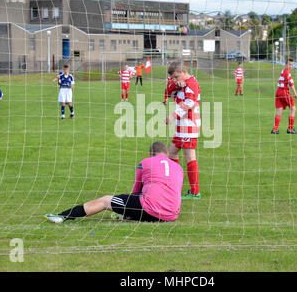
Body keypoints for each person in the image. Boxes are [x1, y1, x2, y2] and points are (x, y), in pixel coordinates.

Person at [45, 142, 184, 223]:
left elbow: (136, 192)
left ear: (150, 154)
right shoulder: (179, 168)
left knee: (105, 201)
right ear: (166, 154)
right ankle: (125, 215)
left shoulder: (145, 162)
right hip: (172, 215)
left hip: (151, 211)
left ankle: (62, 216)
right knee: (132, 201)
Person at [165, 61, 201, 199]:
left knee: (190, 157)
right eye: (173, 78)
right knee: (172, 154)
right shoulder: (180, 82)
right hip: (181, 126)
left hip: (189, 125)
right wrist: (175, 84)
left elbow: (189, 103)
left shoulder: (192, 83)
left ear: (184, 72)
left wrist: (173, 116)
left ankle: (195, 192)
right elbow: (168, 92)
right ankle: (174, 185)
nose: (174, 80)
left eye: (176, 77)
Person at [271, 58, 297, 134]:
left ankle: (275, 129)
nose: (291, 66)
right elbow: (291, 83)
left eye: (292, 65)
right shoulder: (287, 72)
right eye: (289, 64)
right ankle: (290, 129)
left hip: (278, 92)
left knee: (280, 110)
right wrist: (295, 93)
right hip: (283, 91)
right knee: (293, 109)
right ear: (286, 64)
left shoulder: (283, 71)